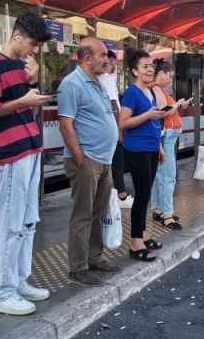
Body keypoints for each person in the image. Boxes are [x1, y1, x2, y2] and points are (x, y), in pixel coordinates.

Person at [0, 12, 52, 315]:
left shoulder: (21, 67)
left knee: (27, 221)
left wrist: (31, 82)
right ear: (17, 35)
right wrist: (24, 101)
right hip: (8, 154)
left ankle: (18, 280)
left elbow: (21, 101)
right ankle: (0, 290)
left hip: (29, 150)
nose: (34, 50)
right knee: (9, 222)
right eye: (32, 43)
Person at [58, 37, 122, 287]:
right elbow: (66, 125)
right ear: (86, 58)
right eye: (102, 55)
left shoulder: (97, 82)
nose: (106, 59)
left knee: (99, 211)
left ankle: (94, 257)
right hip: (87, 160)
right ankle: (78, 267)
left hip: (104, 159)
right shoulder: (71, 84)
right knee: (83, 214)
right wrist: (80, 159)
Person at [120, 49, 172, 261]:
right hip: (137, 149)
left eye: (151, 66)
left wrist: (159, 147)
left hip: (151, 148)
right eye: (144, 66)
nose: (150, 69)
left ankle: (143, 234)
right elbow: (123, 123)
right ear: (134, 71)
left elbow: (153, 123)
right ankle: (135, 242)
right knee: (141, 196)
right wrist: (148, 115)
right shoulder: (131, 93)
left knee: (146, 195)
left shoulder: (150, 92)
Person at [149, 58, 188, 230]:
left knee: (159, 175)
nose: (171, 79)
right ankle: (167, 215)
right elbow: (163, 112)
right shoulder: (156, 89)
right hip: (166, 137)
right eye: (169, 75)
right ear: (161, 73)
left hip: (164, 137)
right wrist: (177, 105)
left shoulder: (155, 89)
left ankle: (158, 209)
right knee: (168, 176)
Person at [98, 50, 134, 209]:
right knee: (116, 162)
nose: (115, 64)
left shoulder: (107, 79)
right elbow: (113, 105)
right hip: (112, 128)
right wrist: (119, 130)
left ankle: (114, 194)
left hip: (109, 127)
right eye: (111, 61)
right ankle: (120, 195)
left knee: (112, 163)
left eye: (115, 62)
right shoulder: (105, 79)